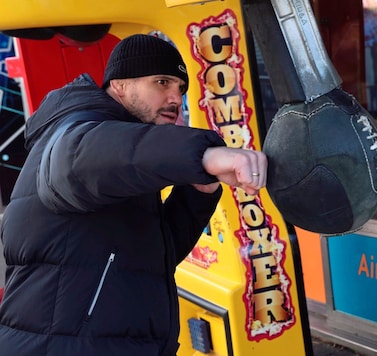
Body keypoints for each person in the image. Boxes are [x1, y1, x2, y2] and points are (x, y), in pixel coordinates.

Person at [0, 34, 266, 355]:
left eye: (180, 89)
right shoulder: (75, 131)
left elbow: (147, 257)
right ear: (121, 85)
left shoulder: (123, 158)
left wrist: (197, 192)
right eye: (161, 82)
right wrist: (202, 153)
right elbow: (79, 158)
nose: (174, 98)